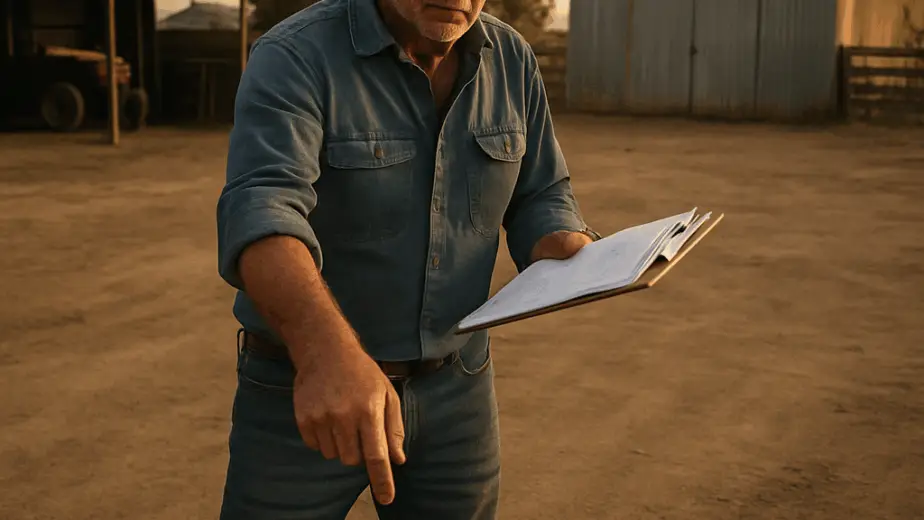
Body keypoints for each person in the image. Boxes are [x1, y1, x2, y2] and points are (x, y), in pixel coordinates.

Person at [216, 0, 598, 518]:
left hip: (456, 392)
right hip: (308, 390)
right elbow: (261, 213)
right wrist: (325, 356)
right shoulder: (295, 55)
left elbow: (541, 191)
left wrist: (561, 238)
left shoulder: (511, 58)